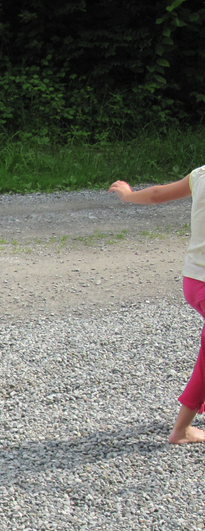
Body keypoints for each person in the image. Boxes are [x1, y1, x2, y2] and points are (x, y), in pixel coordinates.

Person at [110, 167, 205, 444]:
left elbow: (156, 195)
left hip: (194, 281)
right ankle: (182, 429)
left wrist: (127, 195)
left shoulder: (201, 174)